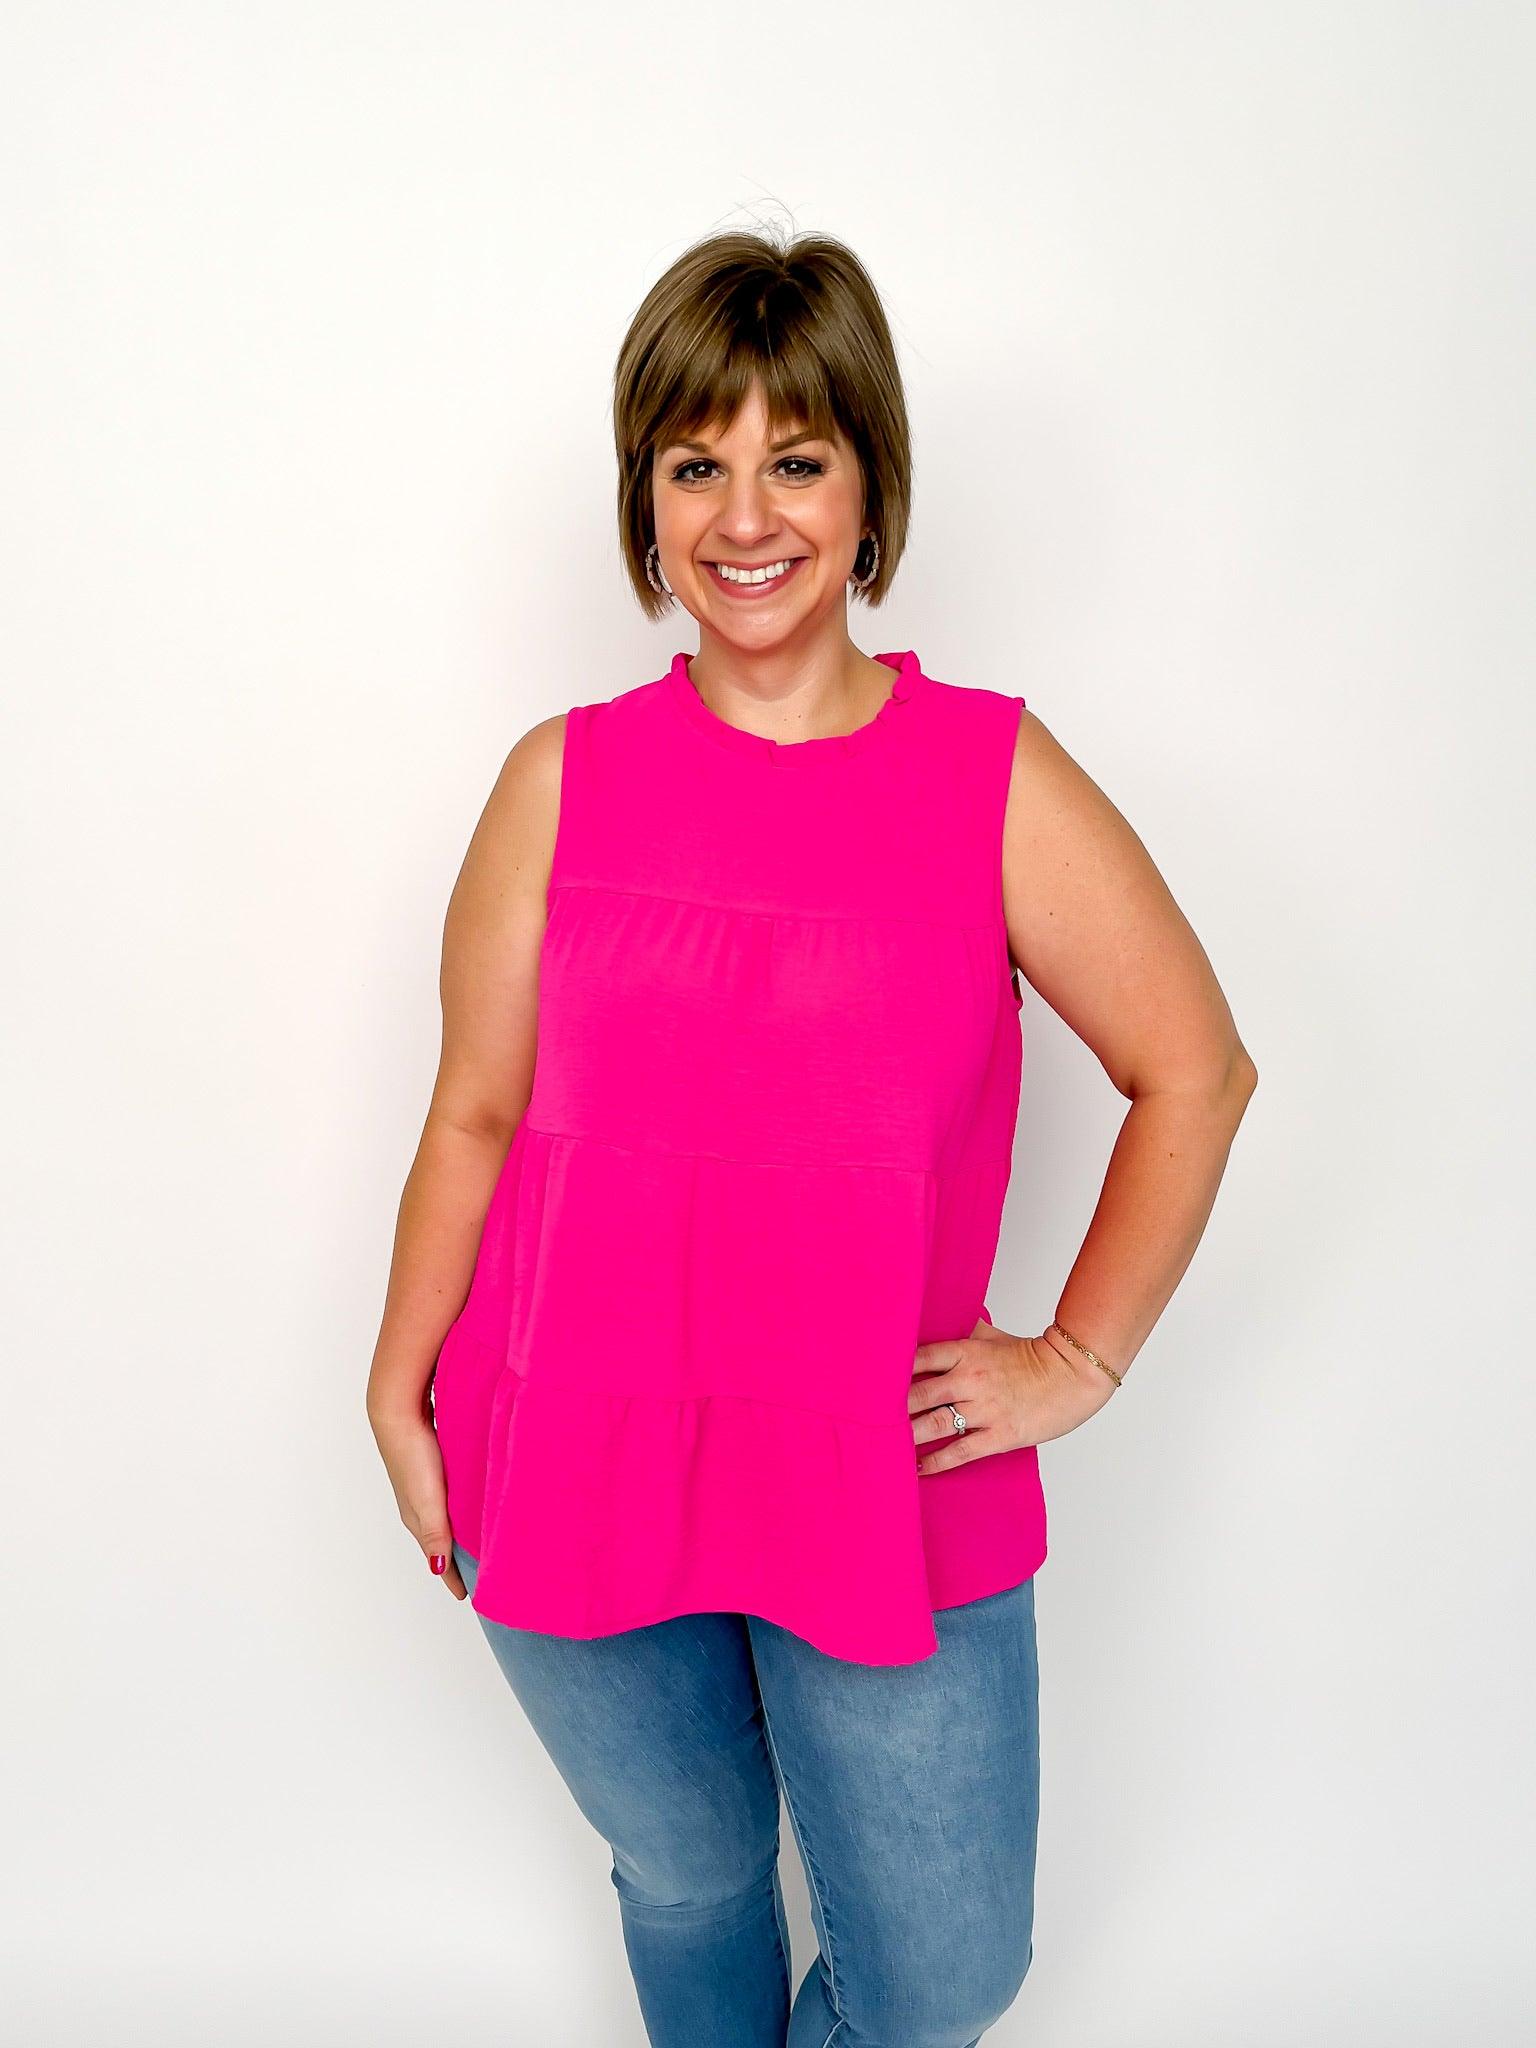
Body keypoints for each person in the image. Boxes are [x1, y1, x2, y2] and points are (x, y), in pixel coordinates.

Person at [366, 225, 1258, 2047]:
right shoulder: (560, 781)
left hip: (884, 1467)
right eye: (696, 466)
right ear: (646, 501)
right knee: (692, 1879)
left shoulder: (992, 779)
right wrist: (396, 1385)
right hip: (570, 1443)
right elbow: (473, 1113)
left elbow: (1198, 1069)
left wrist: (1079, 1358)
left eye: (796, 458)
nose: (746, 516)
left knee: (946, 1977)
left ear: (868, 489)